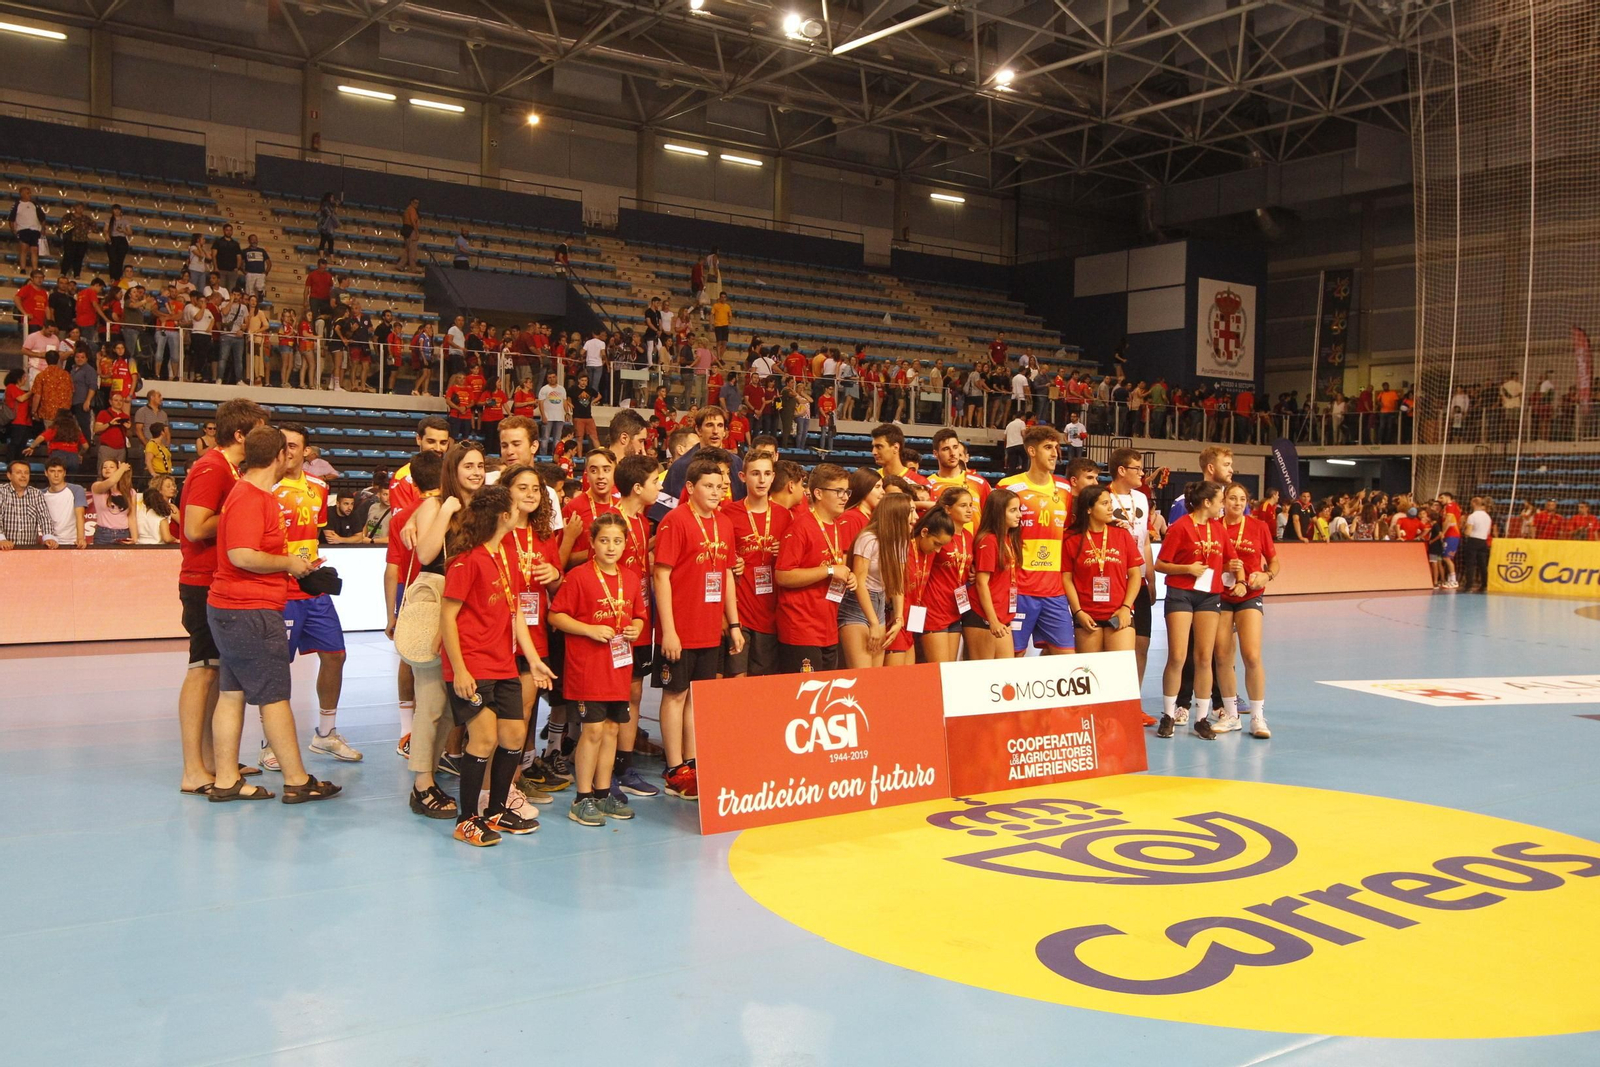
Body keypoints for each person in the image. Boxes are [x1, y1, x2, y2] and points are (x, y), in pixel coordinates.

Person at [204, 426, 340, 804]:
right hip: (250, 611)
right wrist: (289, 564)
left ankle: (227, 779)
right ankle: (297, 779)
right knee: (275, 696)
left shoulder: (245, 493)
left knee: (231, 693)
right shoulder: (253, 497)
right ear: (280, 455)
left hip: (233, 609)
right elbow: (241, 555)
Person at [437, 483, 555, 845]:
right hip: (472, 666)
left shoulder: (504, 556)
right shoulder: (466, 560)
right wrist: (459, 670)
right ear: (504, 515)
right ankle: (467, 819)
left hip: (504, 663)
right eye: (515, 504)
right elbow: (447, 617)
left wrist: (533, 660)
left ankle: (498, 809)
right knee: (484, 738)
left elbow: (516, 610)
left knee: (515, 735)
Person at [176, 397, 271, 796]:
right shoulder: (212, 468)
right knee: (202, 670)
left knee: (214, 670)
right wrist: (239, 513)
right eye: (260, 432)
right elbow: (196, 526)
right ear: (240, 435)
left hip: (212, 580)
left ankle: (213, 761)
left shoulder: (227, 468)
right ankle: (193, 769)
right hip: (201, 581)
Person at [257, 424, 364, 772]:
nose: (287, 452)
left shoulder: (319, 487)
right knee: (277, 665)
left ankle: (326, 733)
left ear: (306, 452)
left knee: (336, 655)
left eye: (294, 446)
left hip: (311, 588)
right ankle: (270, 741)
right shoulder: (264, 487)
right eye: (282, 445)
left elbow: (312, 534)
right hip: (278, 588)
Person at [653, 457, 742, 800]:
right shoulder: (675, 521)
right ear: (689, 488)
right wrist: (669, 631)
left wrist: (732, 623)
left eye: (720, 487)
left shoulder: (723, 522)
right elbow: (661, 575)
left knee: (697, 698)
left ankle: (693, 762)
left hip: (709, 627)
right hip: (681, 626)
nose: (716, 492)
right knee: (675, 695)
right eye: (709, 486)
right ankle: (674, 768)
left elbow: (726, 576)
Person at [550, 511, 647, 826]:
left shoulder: (629, 578)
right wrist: (587, 629)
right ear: (591, 543)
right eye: (604, 540)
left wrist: (635, 626)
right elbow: (556, 616)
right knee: (591, 731)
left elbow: (639, 615)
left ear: (625, 545)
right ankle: (582, 798)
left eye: (617, 541)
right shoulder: (579, 576)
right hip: (587, 669)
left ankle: (604, 792)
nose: (611, 547)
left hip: (617, 670)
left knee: (611, 730)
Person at [1155, 480, 1234, 740]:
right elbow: (1160, 564)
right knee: (1177, 656)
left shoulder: (1219, 530)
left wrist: (1240, 572)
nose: (1223, 505)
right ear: (1207, 502)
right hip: (1180, 593)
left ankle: (1201, 718)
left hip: (1209, 596)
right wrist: (1187, 569)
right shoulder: (1180, 527)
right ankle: (1168, 714)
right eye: (1220, 500)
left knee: (1204, 657)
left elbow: (1230, 560)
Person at [997, 427, 1075, 657]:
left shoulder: (1064, 489)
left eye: (1056, 448)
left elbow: (1068, 532)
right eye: (1048, 448)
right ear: (1031, 450)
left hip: (1054, 590)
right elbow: (996, 534)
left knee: (1065, 657)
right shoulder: (1008, 487)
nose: (1054, 454)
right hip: (1019, 588)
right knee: (1014, 656)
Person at [776, 463, 854, 674]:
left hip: (827, 627)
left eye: (847, 491)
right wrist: (829, 571)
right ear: (818, 493)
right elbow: (783, 575)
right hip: (801, 628)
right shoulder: (801, 526)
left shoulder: (837, 526)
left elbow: (833, 567)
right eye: (838, 491)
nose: (844, 497)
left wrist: (848, 576)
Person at [1216, 482, 1278, 738]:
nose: (1237, 503)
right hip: (1220, 596)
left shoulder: (1258, 526)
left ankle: (1257, 717)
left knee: (1251, 655)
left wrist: (1267, 575)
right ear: (1223, 501)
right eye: (1232, 498)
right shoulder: (1213, 527)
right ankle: (1231, 714)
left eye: (1242, 498)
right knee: (1222, 656)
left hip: (1249, 595)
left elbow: (1273, 560)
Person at [725, 450, 790, 678]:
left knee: (762, 688)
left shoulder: (785, 516)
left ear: (773, 477)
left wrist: (785, 552)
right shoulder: (728, 513)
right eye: (755, 474)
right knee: (735, 683)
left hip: (771, 615)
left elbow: (793, 564)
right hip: (740, 612)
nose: (761, 480)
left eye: (766, 474)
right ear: (743, 477)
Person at [1062, 485, 1142, 654]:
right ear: (1089, 509)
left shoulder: (1122, 534)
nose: (1110, 507)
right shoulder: (1071, 539)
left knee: (1120, 671)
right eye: (1104, 503)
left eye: (1110, 502)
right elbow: (1066, 579)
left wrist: (1127, 607)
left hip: (1119, 612)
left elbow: (1135, 574)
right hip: (1087, 616)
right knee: (1091, 673)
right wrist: (1078, 612)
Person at [840, 492, 911, 669]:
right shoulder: (868, 538)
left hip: (879, 604)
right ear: (896, 513)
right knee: (863, 674)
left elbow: (896, 583)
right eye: (911, 511)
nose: (915, 517)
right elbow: (859, 582)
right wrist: (872, 622)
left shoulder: (900, 541)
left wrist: (898, 618)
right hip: (857, 604)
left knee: (876, 676)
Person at [963, 488, 1022, 660]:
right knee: (984, 676)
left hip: (1003, 613)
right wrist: (993, 620)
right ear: (998, 512)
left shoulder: (1009, 538)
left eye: (1019, 509)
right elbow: (982, 583)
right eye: (1012, 510)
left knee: (1004, 674)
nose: (1019, 515)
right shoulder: (989, 540)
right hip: (984, 616)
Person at [917, 489, 975, 663]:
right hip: (934, 607)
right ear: (948, 509)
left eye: (971, 505)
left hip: (955, 608)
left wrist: (972, 572)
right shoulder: (937, 534)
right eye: (963, 505)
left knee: (949, 670)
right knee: (939, 670)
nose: (969, 510)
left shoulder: (968, 536)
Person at [0, 459, 59, 549]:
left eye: (26, 473)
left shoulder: (36, 493)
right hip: (3, 549)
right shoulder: (1, 492)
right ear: (9, 475)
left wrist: (48, 537)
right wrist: (1, 539)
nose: (23, 476)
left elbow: (44, 517)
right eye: (19, 472)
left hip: (29, 549)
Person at [41, 459, 87, 548]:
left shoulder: (76, 489)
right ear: (46, 473)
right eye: (52, 471)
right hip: (50, 543)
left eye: (59, 471)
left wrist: (80, 538)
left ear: (64, 473)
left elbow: (80, 515)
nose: (56, 475)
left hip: (73, 542)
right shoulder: (40, 494)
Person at [89, 459, 134, 545]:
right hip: (103, 534)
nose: (107, 469)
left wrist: (134, 537)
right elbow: (111, 481)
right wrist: (122, 469)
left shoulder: (130, 492)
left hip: (123, 533)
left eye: (111, 467)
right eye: (104, 467)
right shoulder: (96, 486)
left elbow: (132, 517)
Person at [8, 185, 44, 274]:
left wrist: (43, 228)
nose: (29, 194)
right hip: (23, 229)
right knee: (24, 249)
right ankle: (23, 268)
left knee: (34, 250)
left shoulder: (34, 204)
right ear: (22, 194)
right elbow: (11, 218)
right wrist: (13, 229)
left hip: (35, 229)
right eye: (27, 193)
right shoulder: (17, 205)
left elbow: (42, 217)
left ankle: (35, 269)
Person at [135, 474, 179, 545]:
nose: (173, 488)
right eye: (168, 486)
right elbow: (167, 538)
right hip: (165, 546)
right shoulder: (169, 509)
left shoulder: (145, 510)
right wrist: (177, 540)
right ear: (159, 489)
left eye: (173, 485)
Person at [537, 371, 568, 457]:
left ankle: (556, 457)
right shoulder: (544, 389)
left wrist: (567, 413)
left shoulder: (562, 389)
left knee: (557, 440)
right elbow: (540, 403)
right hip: (548, 417)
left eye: (553, 377)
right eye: (550, 377)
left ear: (556, 377)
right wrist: (543, 416)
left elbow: (564, 402)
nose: (552, 379)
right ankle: (543, 458)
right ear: (547, 379)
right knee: (545, 438)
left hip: (560, 417)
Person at [399, 198, 422, 272]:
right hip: (411, 230)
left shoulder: (407, 209)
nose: (416, 204)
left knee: (408, 249)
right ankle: (413, 268)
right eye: (415, 202)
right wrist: (416, 231)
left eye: (418, 203)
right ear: (411, 202)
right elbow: (412, 220)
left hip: (406, 229)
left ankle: (400, 265)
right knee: (412, 250)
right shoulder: (412, 210)